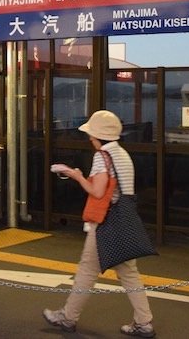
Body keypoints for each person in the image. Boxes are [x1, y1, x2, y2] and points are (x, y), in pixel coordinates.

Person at [43, 110, 155, 338]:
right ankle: (144, 322)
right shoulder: (123, 154)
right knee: (129, 273)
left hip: (106, 222)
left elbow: (97, 191)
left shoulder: (102, 156)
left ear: (97, 136)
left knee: (87, 269)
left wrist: (76, 176)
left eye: (91, 135)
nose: (89, 138)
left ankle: (67, 317)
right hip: (124, 220)